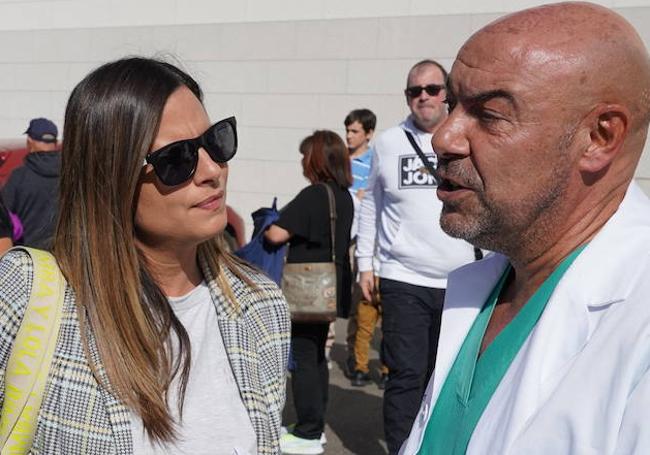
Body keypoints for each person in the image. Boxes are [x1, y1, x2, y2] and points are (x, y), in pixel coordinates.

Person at [0, 57, 290, 454]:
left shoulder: (260, 304)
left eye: (216, 141)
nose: (212, 170)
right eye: (177, 158)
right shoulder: (29, 293)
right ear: (112, 177)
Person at [401, 3, 650, 454]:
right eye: (454, 105)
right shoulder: (489, 284)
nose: (443, 137)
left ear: (598, 137)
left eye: (489, 114)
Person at [355, 59, 477, 453]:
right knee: (406, 374)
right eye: (414, 91)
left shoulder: (467, 139)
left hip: (464, 280)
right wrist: (366, 265)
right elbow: (371, 205)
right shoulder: (388, 143)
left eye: (432, 89)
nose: (423, 97)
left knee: (448, 377)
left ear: (447, 94)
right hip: (403, 276)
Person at [265, 130, 354, 455]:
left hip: (306, 290)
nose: (302, 161)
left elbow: (276, 234)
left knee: (303, 358)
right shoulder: (343, 195)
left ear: (316, 158)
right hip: (330, 289)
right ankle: (314, 428)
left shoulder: (314, 195)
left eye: (305, 155)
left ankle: (306, 432)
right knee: (317, 357)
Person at [341, 108, 387, 387]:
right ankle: (353, 355)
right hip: (345, 236)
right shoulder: (341, 161)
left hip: (364, 240)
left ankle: (370, 361)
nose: (348, 135)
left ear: (368, 134)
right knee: (354, 301)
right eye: (347, 130)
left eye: (354, 131)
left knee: (367, 300)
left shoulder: (374, 162)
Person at [2, 117, 60, 249]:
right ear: (55, 143)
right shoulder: (70, 175)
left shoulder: (19, 177)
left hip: (30, 258)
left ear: (30, 141)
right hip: (64, 257)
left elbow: (4, 218)